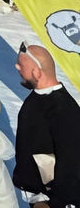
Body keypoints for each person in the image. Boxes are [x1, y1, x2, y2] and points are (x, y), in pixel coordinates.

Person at [13, 43, 80, 207]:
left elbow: (72, 163)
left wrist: (53, 203)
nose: (16, 67)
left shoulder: (65, 109)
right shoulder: (34, 99)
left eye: (21, 65)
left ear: (36, 72)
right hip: (38, 196)